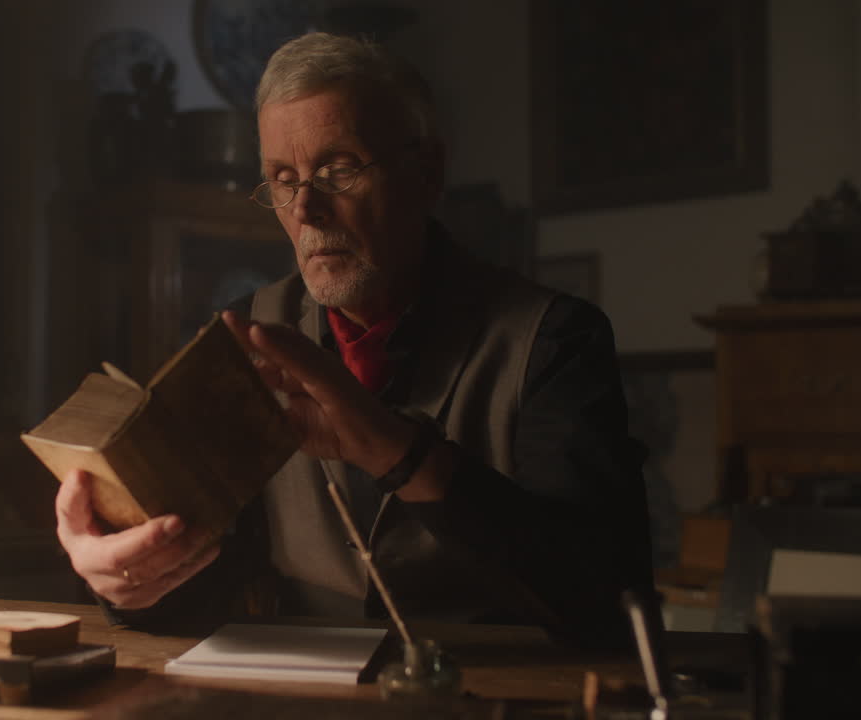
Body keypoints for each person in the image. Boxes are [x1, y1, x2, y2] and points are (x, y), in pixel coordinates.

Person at [55, 32, 652, 647]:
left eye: (337, 170)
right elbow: (209, 579)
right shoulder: (247, 334)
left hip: (497, 686)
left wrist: (396, 451)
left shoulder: (553, 340)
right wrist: (128, 581)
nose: (306, 209)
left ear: (427, 172)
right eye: (282, 179)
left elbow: (603, 596)